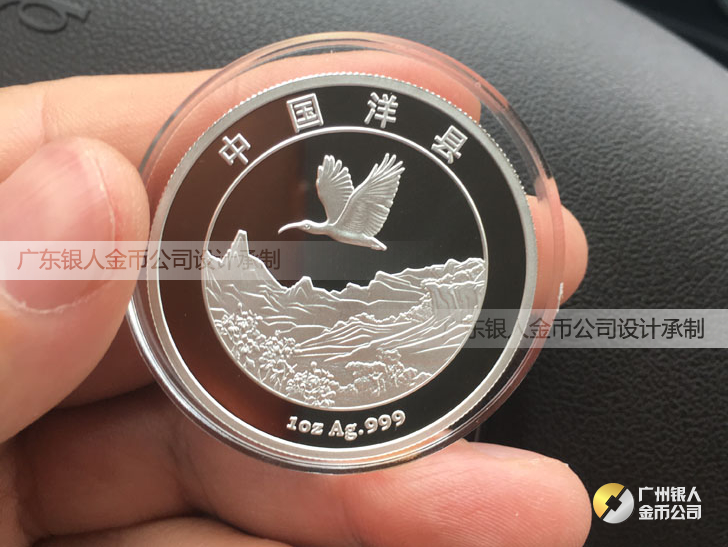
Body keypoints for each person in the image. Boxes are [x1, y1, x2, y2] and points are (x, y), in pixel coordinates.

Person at [0, 68, 590, 546]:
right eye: (307, 225)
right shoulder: (329, 225)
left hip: (369, 242)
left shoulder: (348, 220)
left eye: (307, 225)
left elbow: (368, 188)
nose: (303, 227)